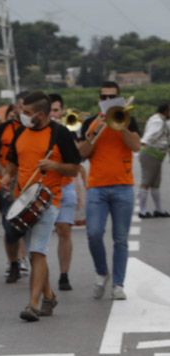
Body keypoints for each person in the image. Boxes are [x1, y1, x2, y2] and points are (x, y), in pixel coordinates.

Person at [1, 91, 81, 321]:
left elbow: (75, 168)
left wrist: (54, 165)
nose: (22, 116)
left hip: (48, 199)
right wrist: (6, 179)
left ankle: (33, 304)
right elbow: (12, 164)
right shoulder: (20, 132)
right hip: (22, 201)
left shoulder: (60, 133)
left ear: (42, 114)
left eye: (27, 113)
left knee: (37, 250)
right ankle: (49, 295)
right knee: (36, 256)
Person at [77, 81, 142, 300]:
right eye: (104, 98)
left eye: (111, 97)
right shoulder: (90, 122)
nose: (107, 101)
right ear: (99, 100)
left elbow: (135, 146)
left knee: (120, 239)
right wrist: (95, 128)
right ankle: (101, 272)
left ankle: (118, 284)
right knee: (94, 233)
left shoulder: (128, 119)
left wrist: (120, 125)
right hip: (97, 187)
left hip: (123, 186)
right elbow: (82, 154)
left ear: (119, 99)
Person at [0, 91, 30, 283]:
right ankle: (13, 262)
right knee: (10, 224)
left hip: (30, 183)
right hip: (7, 184)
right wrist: (2, 170)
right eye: (21, 106)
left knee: (26, 225)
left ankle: (26, 259)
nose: (23, 110)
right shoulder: (4, 128)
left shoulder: (36, 129)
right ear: (14, 108)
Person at [49, 93, 80, 290]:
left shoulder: (67, 132)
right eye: (50, 110)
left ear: (61, 111)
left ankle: (64, 274)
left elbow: (77, 160)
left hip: (65, 185)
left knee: (64, 230)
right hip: (42, 189)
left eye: (56, 110)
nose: (53, 113)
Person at [138, 102, 170, 218]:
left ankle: (158, 209)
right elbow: (149, 135)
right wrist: (143, 143)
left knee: (155, 183)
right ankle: (142, 211)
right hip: (150, 154)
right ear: (166, 111)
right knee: (146, 182)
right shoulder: (157, 121)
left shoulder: (161, 120)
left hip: (156, 155)